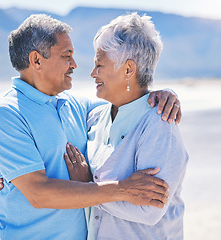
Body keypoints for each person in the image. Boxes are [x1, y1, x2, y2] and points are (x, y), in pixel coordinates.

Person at [0, 14, 181, 240]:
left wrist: (164, 95)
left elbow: (129, 102)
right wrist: (121, 189)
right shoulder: (7, 114)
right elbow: (38, 193)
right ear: (36, 60)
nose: (75, 65)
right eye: (67, 56)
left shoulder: (76, 106)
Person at [63, 13, 188, 239]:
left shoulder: (159, 124)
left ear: (129, 69)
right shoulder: (96, 117)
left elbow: (149, 209)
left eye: (99, 65)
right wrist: (3, 177)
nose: (93, 73)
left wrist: (86, 187)